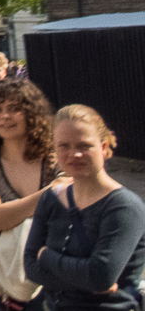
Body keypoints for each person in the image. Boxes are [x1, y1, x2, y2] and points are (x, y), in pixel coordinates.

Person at [24, 105, 145, 311]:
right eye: (64, 146)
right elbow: (30, 267)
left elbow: (100, 276)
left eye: (84, 145)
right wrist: (87, 280)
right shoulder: (50, 198)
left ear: (104, 147)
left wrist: (46, 256)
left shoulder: (124, 207)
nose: (74, 154)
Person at [0, 78, 62, 311]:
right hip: (2, 282)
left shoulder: (56, 154)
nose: (4, 117)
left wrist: (7, 211)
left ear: (32, 113)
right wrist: (49, 194)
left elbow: (70, 202)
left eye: (14, 109)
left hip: (54, 275)